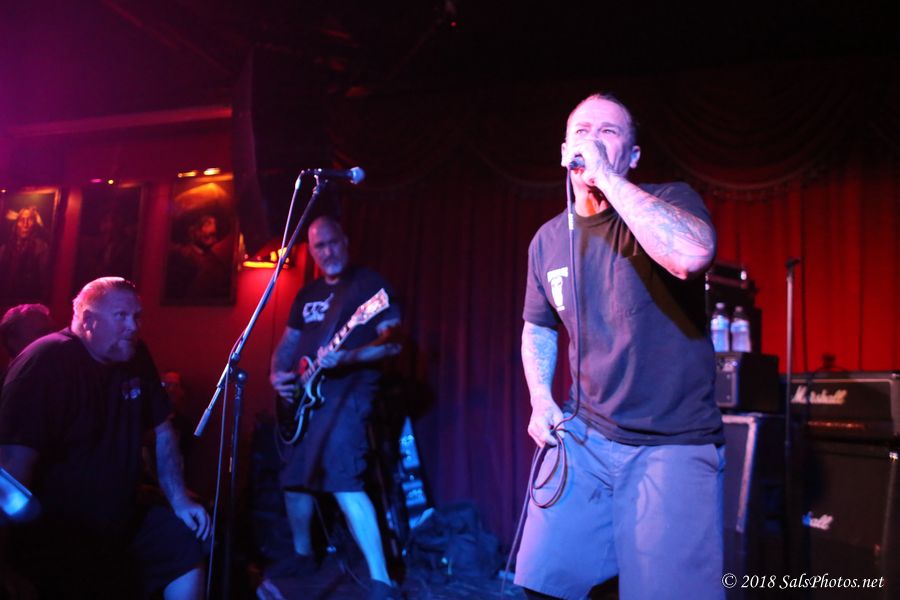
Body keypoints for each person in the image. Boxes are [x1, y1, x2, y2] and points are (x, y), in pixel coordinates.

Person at [515, 93, 725, 600]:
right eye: (581, 131)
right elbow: (538, 325)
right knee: (543, 583)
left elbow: (691, 256)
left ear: (632, 155)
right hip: (586, 435)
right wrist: (540, 398)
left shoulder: (670, 199)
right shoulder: (547, 240)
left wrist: (607, 178)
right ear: (564, 150)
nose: (591, 139)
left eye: (607, 132)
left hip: (670, 440)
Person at [0, 277, 210, 599]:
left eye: (137, 316)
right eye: (121, 316)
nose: (133, 326)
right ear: (88, 320)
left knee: (186, 545)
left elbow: (163, 431)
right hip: (61, 526)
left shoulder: (136, 355)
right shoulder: (45, 360)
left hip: (120, 515)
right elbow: (13, 465)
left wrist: (179, 499)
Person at [268, 216, 402, 600]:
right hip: (306, 396)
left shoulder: (369, 286)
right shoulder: (306, 294)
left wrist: (349, 357)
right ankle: (303, 557)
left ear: (345, 240)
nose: (327, 252)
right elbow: (288, 342)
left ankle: (382, 582)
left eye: (332, 243)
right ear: (311, 251)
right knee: (294, 479)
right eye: (319, 246)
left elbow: (392, 343)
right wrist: (276, 374)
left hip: (350, 391)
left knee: (343, 479)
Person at [0, 206, 51, 303]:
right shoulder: (4, 249)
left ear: (34, 224)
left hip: (29, 303)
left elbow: (45, 282)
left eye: (29, 220)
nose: (25, 224)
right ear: (16, 224)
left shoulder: (41, 248)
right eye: (21, 220)